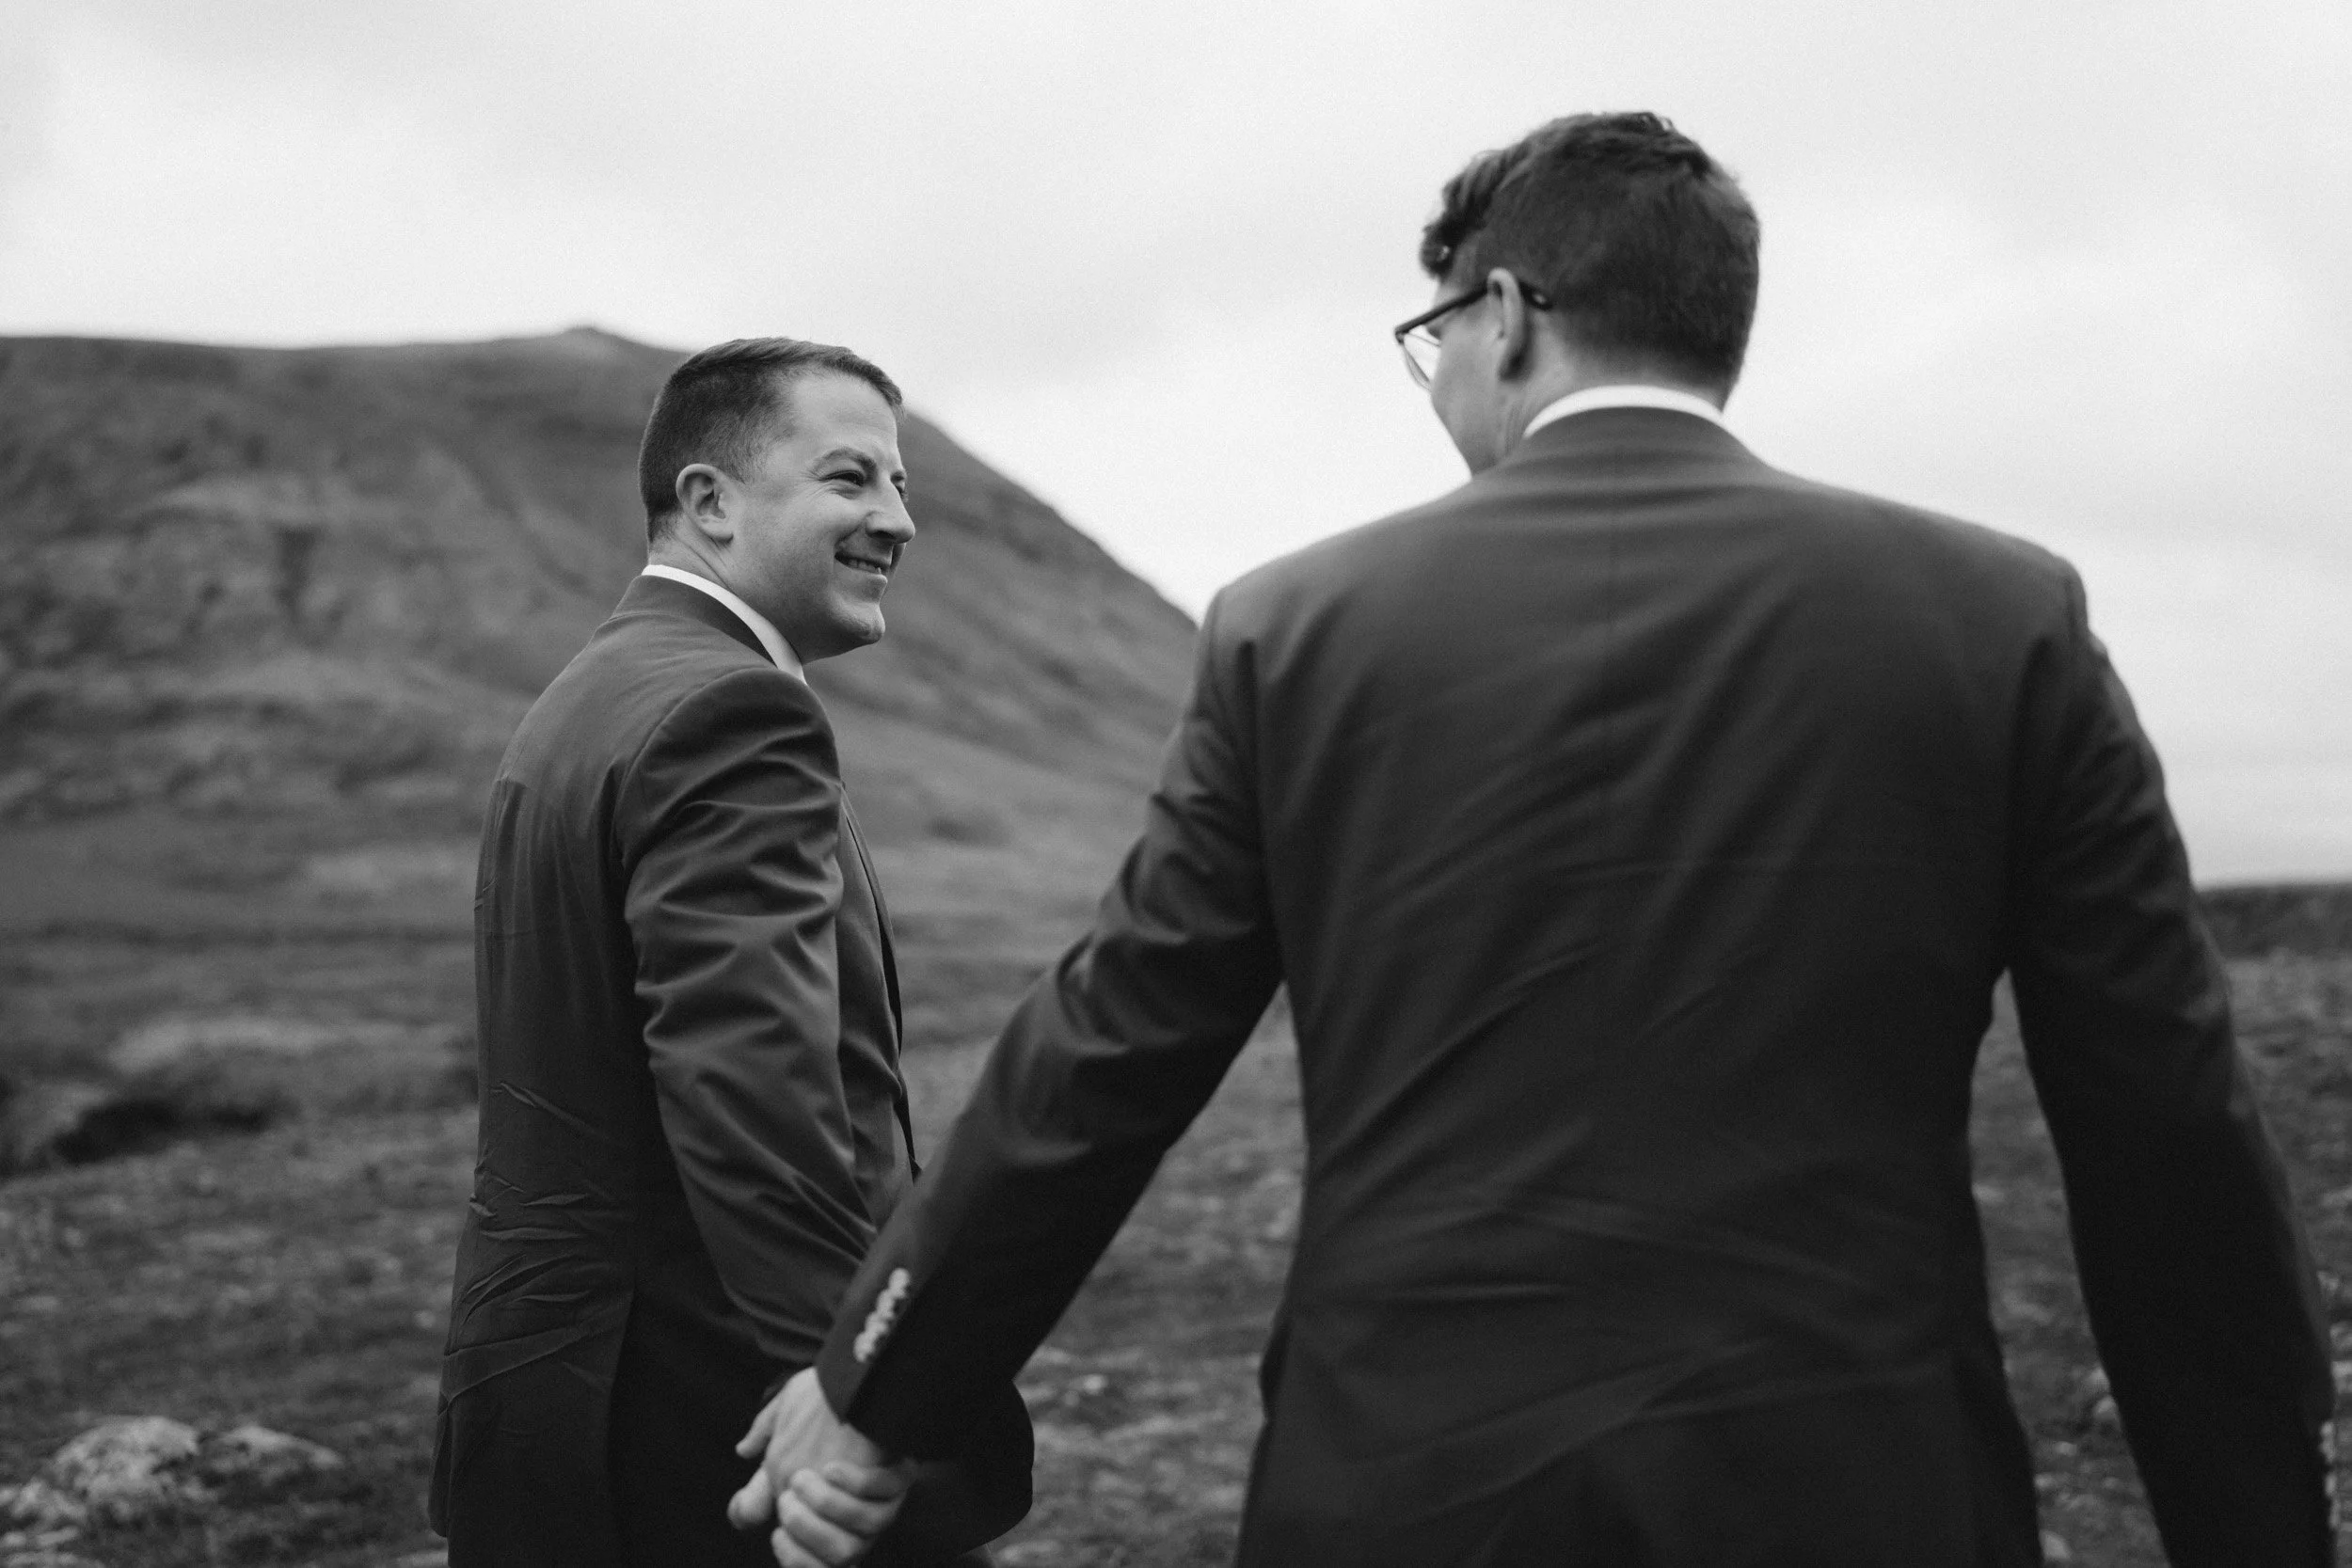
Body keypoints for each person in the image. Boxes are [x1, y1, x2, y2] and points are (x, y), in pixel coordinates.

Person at [755, 115, 2340, 1564]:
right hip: (1862, 1488)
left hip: (1406, 1494)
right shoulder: (2002, 618)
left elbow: (1108, 1055)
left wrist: (875, 1385)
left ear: (1504, 314)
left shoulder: (1298, 630)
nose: (1439, 376)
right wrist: (2258, 1529)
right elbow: (2167, 1126)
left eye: (1433, 337)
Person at [428, 337, 1029, 1568]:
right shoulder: (733, 712)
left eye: (900, 483)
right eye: (851, 478)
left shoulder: (591, 691)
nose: (898, 519)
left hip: (555, 1396)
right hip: (714, 1419)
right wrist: (853, 1394)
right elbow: (752, 1090)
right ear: (709, 500)